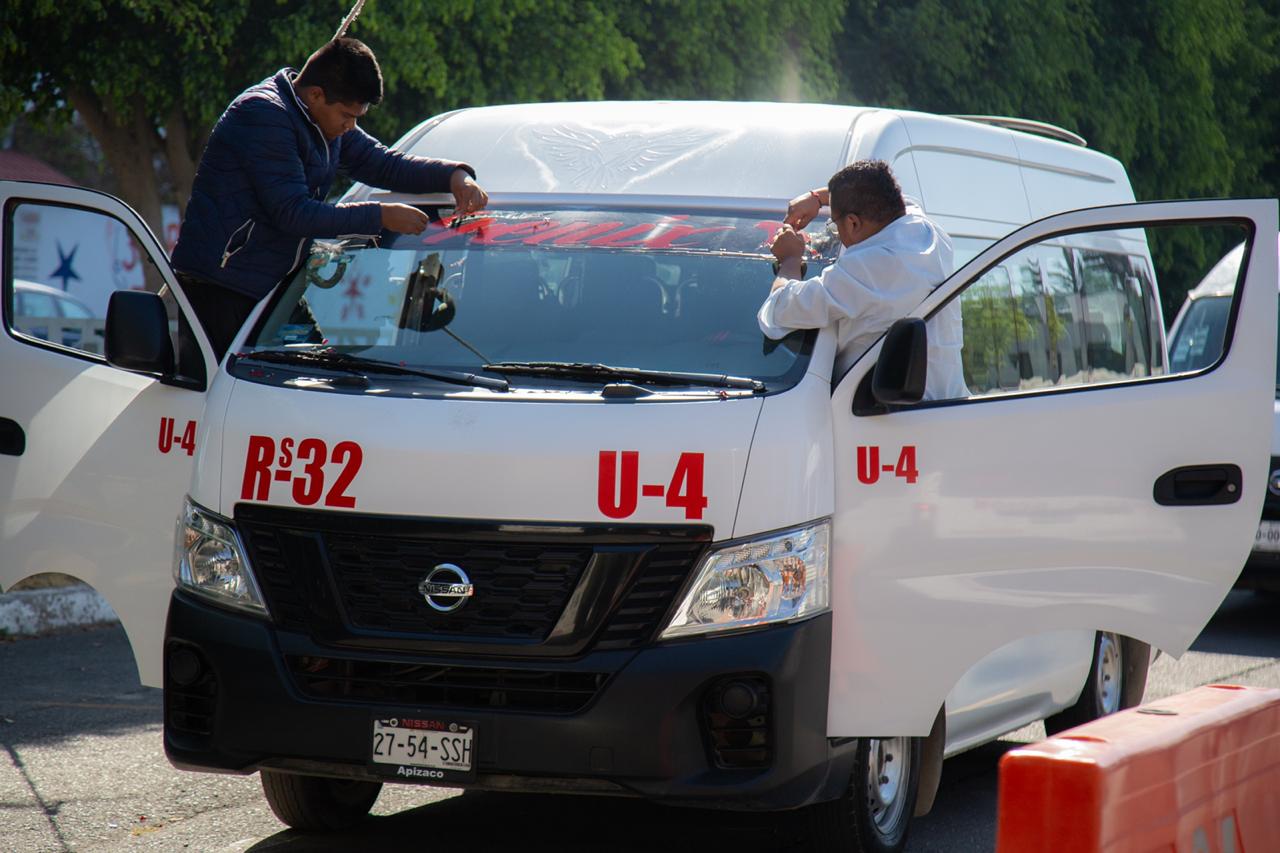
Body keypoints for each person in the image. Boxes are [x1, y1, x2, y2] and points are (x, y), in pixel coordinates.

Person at [171, 37, 488, 362]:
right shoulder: (263, 116)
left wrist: (455, 177)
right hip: (222, 288)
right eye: (347, 115)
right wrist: (380, 216)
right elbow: (293, 213)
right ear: (315, 94)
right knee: (230, 399)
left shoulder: (322, 119)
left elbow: (384, 165)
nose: (351, 126)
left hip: (273, 287)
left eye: (357, 118)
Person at [759, 160, 967, 400]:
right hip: (947, 408)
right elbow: (903, 201)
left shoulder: (867, 267)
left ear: (853, 222)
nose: (836, 232)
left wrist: (790, 259)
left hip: (890, 420)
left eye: (835, 224)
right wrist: (817, 198)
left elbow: (781, 310)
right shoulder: (929, 233)